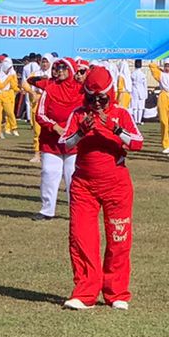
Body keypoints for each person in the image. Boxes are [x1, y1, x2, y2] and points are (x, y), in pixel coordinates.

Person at [58, 65, 144, 310]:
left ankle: (116, 292)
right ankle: (85, 293)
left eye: (101, 98)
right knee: (81, 237)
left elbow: (138, 142)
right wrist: (82, 132)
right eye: (91, 98)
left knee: (119, 238)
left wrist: (115, 129)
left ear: (110, 94)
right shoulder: (78, 114)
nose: (96, 103)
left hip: (116, 185)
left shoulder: (121, 113)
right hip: (84, 185)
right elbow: (65, 144)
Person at [32, 57, 83, 218]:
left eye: (64, 68)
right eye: (57, 68)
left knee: (73, 175)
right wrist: (54, 126)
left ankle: (76, 211)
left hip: (74, 140)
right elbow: (40, 114)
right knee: (49, 172)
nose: (60, 71)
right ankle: (47, 210)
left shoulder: (81, 90)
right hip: (52, 140)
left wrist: (76, 129)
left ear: (71, 70)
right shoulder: (50, 88)